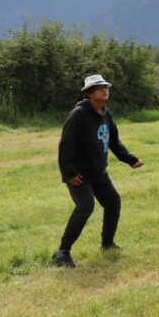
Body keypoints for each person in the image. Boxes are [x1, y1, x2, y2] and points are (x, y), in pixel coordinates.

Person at [53, 74, 143, 268]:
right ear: (88, 93)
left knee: (113, 202)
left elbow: (113, 142)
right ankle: (62, 252)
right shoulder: (78, 114)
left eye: (105, 86)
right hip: (80, 175)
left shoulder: (105, 113)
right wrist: (69, 173)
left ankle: (107, 244)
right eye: (99, 87)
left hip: (99, 173)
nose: (104, 89)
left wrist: (130, 159)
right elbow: (65, 146)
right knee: (85, 206)